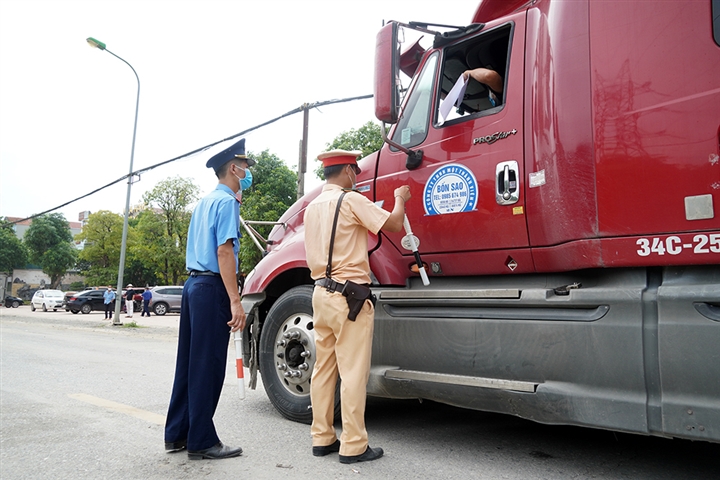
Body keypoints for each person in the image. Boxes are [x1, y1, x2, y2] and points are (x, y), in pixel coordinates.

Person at [304, 150, 411, 464]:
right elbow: (392, 223)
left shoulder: (312, 208)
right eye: (356, 172)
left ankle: (322, 437)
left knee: (323, 370)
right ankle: (353, 444)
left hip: (320, 295)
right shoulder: (350, 201)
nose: (357, 178)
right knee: (352, 372)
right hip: (349, 298)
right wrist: (400, 198)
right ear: (349, 171)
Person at [164, 137, 254, 460]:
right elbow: (224, 251)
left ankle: (177, 433)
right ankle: (201, 439)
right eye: (245, 167)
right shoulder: (228, 202)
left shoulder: (204, 202)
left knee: (189, 363)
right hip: (212, 288)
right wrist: (235, 299)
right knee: (209, 366)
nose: (247, 172)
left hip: (192, 287)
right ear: (233, 168)